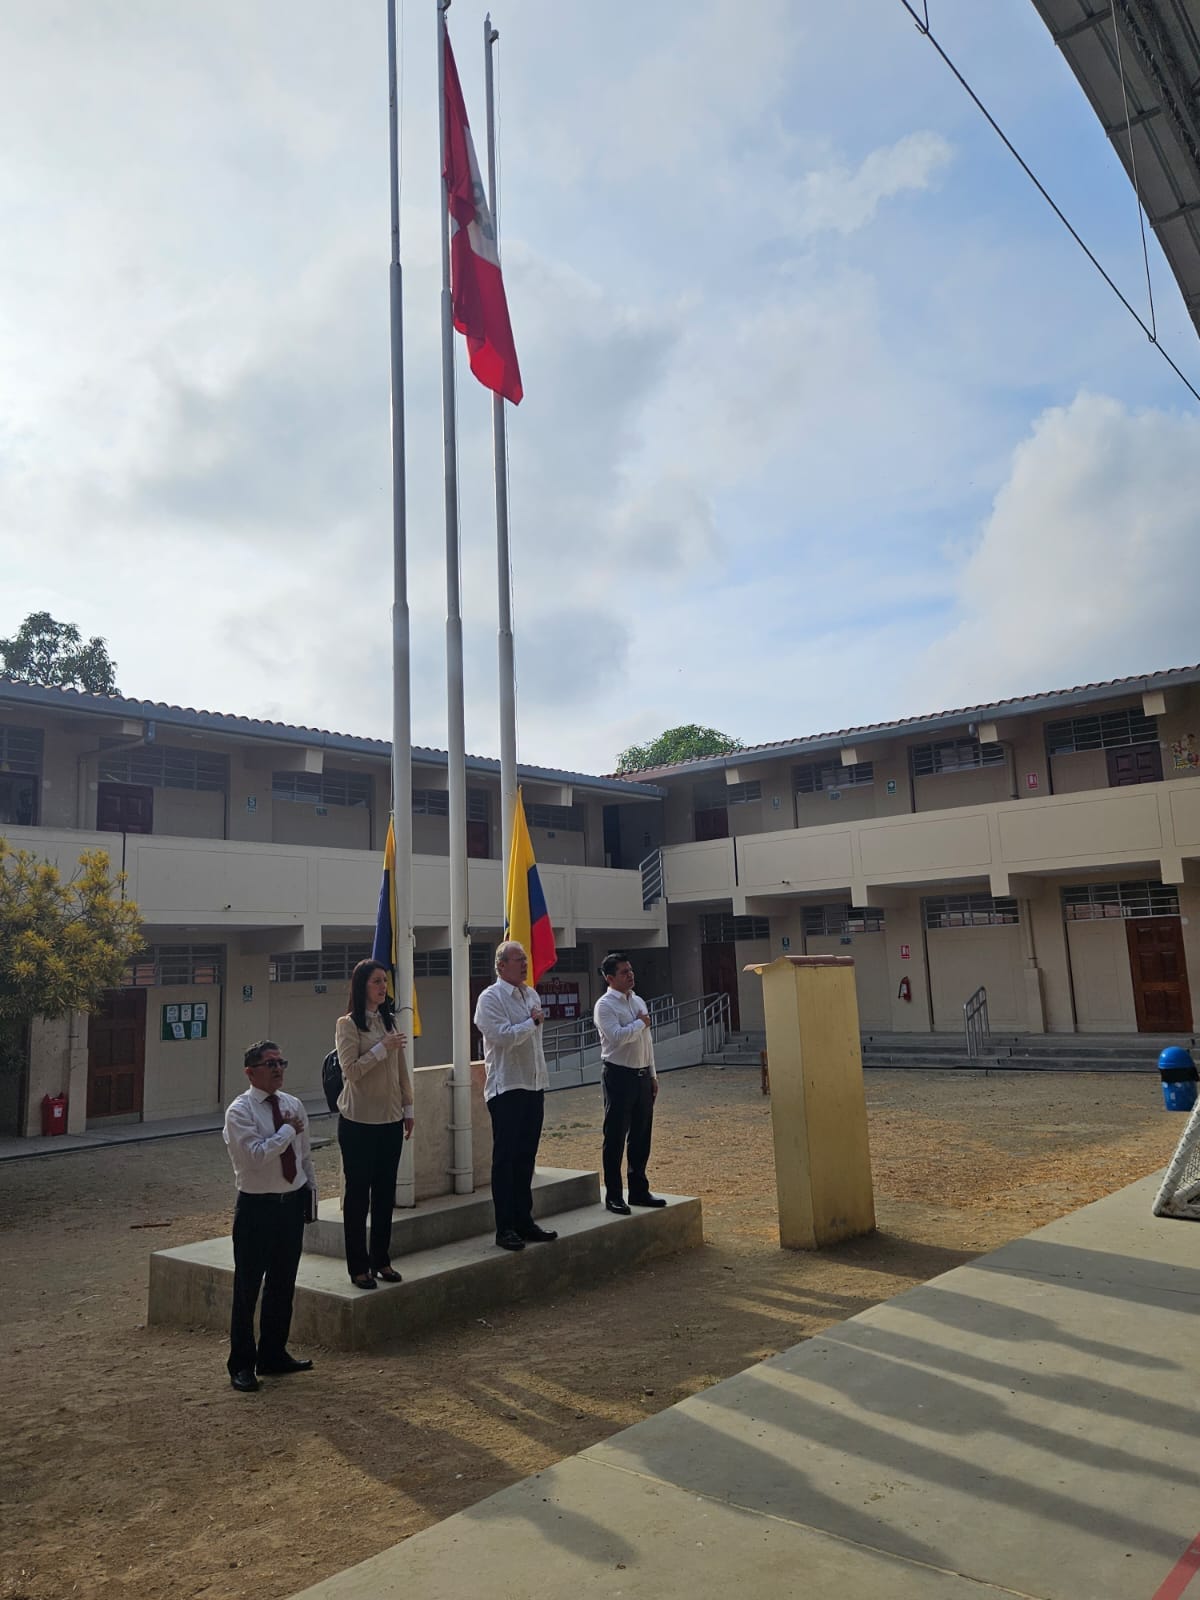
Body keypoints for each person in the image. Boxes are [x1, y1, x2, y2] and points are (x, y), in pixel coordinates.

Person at [223, 1040, 318, 1392]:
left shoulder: (293, 1105)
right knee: (248, 1287)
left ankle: (273, 1354)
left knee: (282, 1282)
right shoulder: (240, 1111)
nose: (278, 1069)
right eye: (270, 1064)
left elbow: (304, 1156)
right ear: (251, 1072)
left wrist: (311, 1194)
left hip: (290, 1204)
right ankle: (241, 1364)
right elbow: (255, 1156)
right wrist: (287, 1131)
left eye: (281, 1062)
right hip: (257, 1207)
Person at [334, 959, 414, 1290]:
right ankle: (358, 1266)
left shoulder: (388, 1019)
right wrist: (382, 1048)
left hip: (390, 1119)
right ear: (362, 986)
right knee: (358, 1197)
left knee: (384, 1193)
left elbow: (401, 1069)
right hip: (359, 1122)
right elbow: (351, 1071)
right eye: (376, 981)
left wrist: (408, 1107)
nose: (383, 987)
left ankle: (381, 1259)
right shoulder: (347, 1025)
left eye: (384, 981)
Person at [473, 940, 557, 1251]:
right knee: (505, 1160)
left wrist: (531, 1024)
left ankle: (525, 1220)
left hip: (533, 1084)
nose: (524, 964)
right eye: (518, 959)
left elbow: (533, 1041)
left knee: (526, 1157)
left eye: (525, 959)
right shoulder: (490, 998)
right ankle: (504, 1227)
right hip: (507, 1087)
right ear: (500, 966)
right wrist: (532, 1021)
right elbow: (503, 1037)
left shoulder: (531, 994)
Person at [594, 952, 666, 1214]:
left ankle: (639, 1190)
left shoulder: (637, 1000)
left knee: (641, 1136)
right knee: (615, 1137)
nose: (630, 975)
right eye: (624, 972)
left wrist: (652, 1074)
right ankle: (614, 1195)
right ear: (610, 978)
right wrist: (639, 1024)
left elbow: (647, 1042)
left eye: (631, 970)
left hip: (642, 1074)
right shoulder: (605, 1006)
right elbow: (616, 1037)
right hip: (619, 1075)